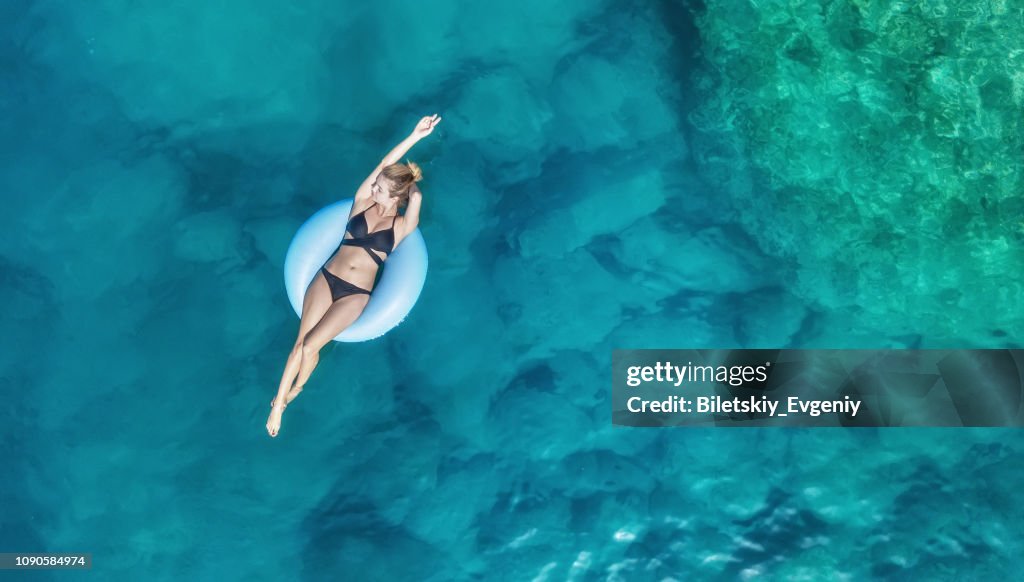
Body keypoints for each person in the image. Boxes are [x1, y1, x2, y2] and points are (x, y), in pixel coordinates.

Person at [266, 114, 441, 437]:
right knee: (299, 345)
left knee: (310, 349)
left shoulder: (402, 227)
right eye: (375, 185)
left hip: (355, 295)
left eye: (380, 189)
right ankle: (279, 404)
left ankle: (299, 388)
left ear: (395, 198)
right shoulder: (361, 203)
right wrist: (416, 135)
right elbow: (385, 162)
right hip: (327, 277)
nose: (372, 188)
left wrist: (408, 182)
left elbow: (414, 197)